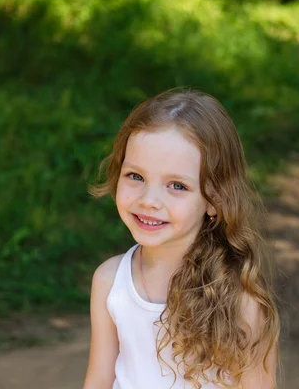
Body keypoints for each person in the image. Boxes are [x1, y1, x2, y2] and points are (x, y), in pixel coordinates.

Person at [83, 89, 280, 389]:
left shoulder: (240, 300)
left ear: (215, 199)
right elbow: (99, 380)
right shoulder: (110, 282)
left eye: (176, 185)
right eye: (135, 176)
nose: (149, 200)